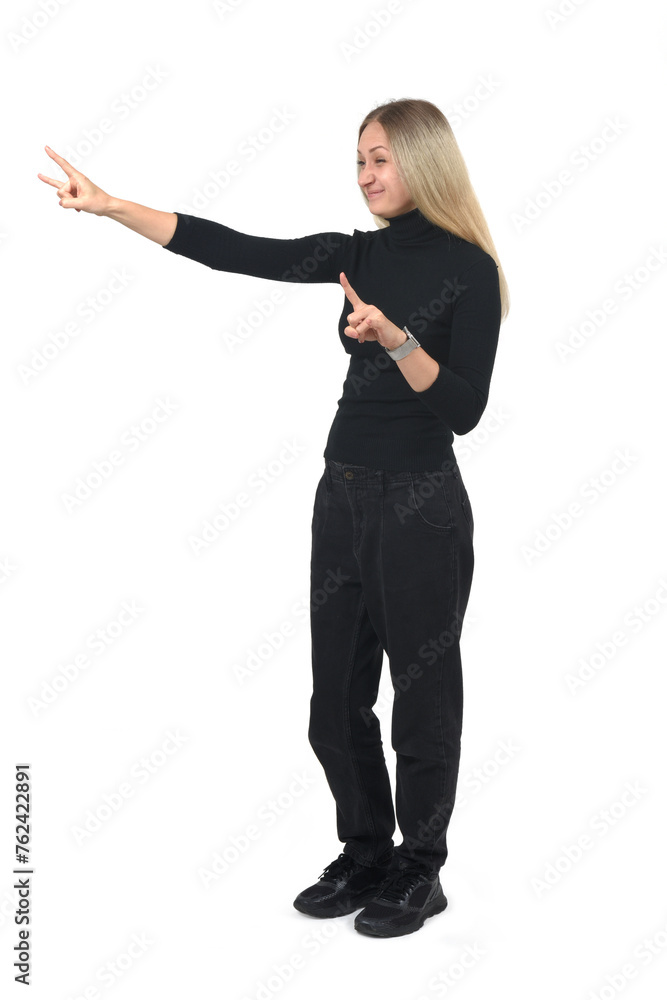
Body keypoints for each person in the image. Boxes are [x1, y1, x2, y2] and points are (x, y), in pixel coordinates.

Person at [38, 97, 509, 938]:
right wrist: (112, 207)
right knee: (334, 701)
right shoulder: (353, 256)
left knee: (422, 695)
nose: (364, 175)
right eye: (358, 160)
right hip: (342, 491)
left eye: (380, 159)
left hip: (419, 504)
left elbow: (466, 410)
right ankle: (365, 852)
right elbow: (236, 251)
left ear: (424, 162)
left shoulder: (469, 268)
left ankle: (419, 868)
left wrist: (398, 340)